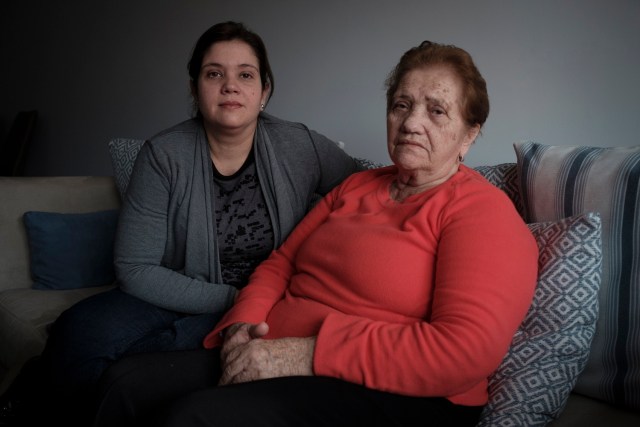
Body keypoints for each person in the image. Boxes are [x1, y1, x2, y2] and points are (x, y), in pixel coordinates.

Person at [92, 40, 539, 427]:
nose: (411, 122)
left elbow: (463, 353)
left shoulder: (483, 213)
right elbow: (282, 262)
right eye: (401, 104)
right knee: (124, 384)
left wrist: (301, 355)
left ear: (469, 134)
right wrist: (241, 328)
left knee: (194, 418)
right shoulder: (358, 185)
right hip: (275, 352)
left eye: (436, 110)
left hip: (400, 392)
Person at [0, 21, 362, 427]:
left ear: (265, 91)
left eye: (245, 74)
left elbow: (364, 186)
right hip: (175, 290)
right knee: (78, 328)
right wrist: (230, 298)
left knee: (150, 354)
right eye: (214, 74)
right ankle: (36, 396)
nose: (230, 85)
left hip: (264, 303)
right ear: (195, 89)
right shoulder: (163, 155)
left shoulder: (300, 145)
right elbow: (135, 268)